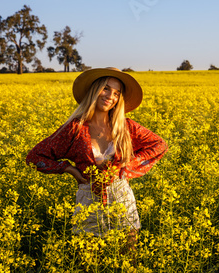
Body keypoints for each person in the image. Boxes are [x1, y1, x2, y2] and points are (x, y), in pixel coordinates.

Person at [26, 67, 168, 251]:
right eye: (106, 88)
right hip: (88, 200)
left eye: (117, 93)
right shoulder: (75, 129)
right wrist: (68, 169)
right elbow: (34, 157)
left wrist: (125, 167)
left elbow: (159, 145)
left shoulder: (126, 127)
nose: (111, 96)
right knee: (88, 261)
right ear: (95, 90)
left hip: (122, 197)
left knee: (129, 258)